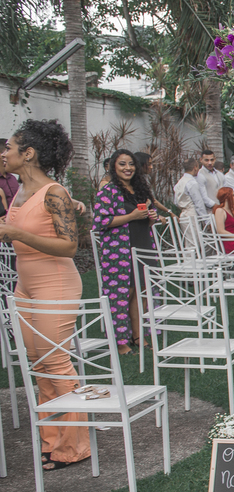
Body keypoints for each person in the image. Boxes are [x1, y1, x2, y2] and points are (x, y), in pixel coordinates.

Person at [0, 119, 88, 470]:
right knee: (39, 367)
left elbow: (69, 246)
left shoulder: (54, 192)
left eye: (9, 147)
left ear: (28, 153)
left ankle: (74, 447)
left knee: (55, 363)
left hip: (56, 283)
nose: (4, 153)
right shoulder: (20, 191)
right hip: (26, 286)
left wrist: (13, 235)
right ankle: (53, 442)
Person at [92, 150, 162, 354]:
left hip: (142, 244)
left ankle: (138, 335)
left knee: (140, 292)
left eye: (131, 164)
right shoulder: (109, 191)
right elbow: (101, 221)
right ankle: (119, 340)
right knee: (121, 294)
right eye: (122, 164)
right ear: (113, 166)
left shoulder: (140, 189)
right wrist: (131, 216)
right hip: (119, 249)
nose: (127, 168)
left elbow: (149, 220)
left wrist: (150, 216)